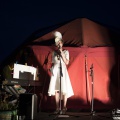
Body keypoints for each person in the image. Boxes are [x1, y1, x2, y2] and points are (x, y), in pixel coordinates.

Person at [48, 31, 74, 114]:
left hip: (62, 70)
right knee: (56, 89)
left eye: (60, 43)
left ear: (62, 43)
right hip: (55, 71)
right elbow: (53, 63)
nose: (59, 44)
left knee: (64, 89)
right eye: (57, 43)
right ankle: (57, 108)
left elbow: (66, 62)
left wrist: (61, 52)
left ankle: (64, 107)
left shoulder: (66, 52)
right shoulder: (54, 53)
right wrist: (51, 69)